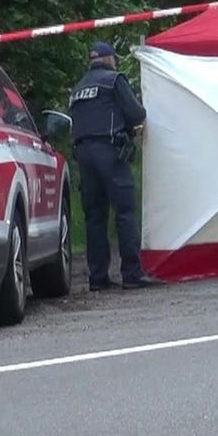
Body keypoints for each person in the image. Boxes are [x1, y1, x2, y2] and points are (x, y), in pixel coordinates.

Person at [68, 41, 160, 290]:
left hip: (83, 156)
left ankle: (98, 278)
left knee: (94, 217)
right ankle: (132, 273)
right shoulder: (113, 80)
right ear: (109, 59)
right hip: (110, 151)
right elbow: (136, 114)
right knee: (125, 212)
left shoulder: (78, 88)